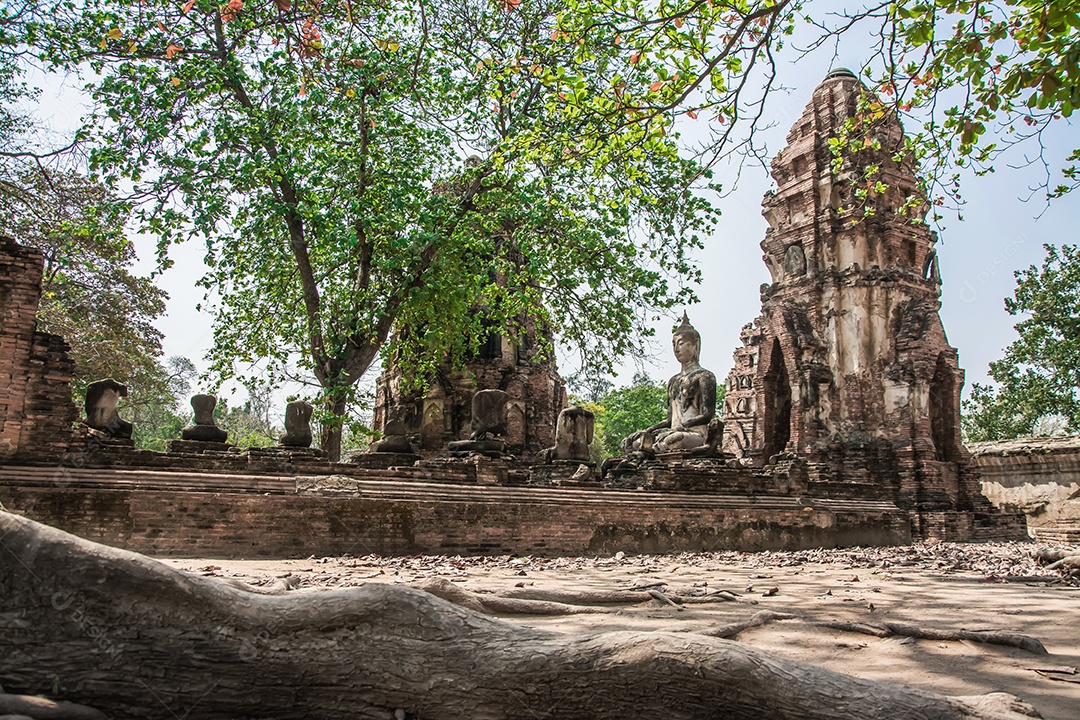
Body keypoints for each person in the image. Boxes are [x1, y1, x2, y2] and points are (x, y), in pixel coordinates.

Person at [622, 313, 717, 454]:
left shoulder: (705, 376)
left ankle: (648, 452)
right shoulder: (673, 380)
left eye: (681, 343)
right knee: (629, 443)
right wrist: (649, 430)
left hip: (694, 435)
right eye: (674, 344)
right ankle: (645, 452)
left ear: (695, 345)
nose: (676, 349)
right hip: (672, 431)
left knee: (673, 440)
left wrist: (684, 425)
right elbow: (670, 419)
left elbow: (708, 414)